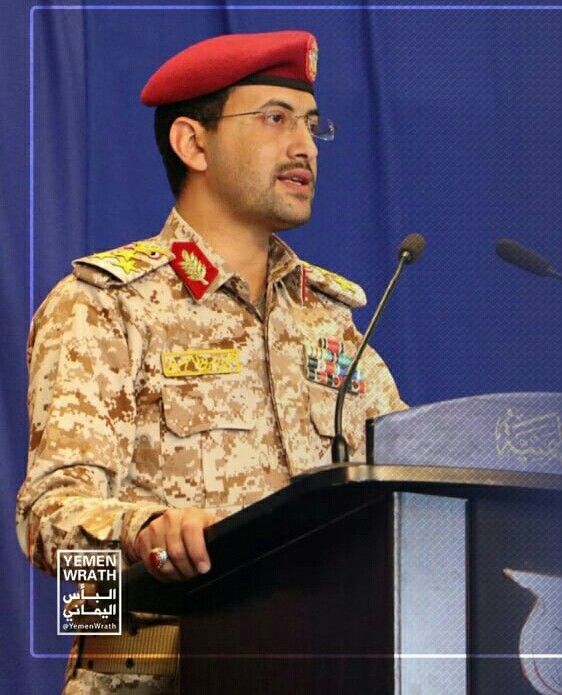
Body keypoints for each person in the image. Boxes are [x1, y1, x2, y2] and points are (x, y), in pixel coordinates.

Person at [16, 30, 406, 694]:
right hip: (156, 672)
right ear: (193, 144)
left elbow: (401, 483)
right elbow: (48, 518)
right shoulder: (105, 306)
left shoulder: (330, 318)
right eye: (275, 119)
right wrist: (146, 531)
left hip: (319, 668)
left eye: (312, 124)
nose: (305, 146)